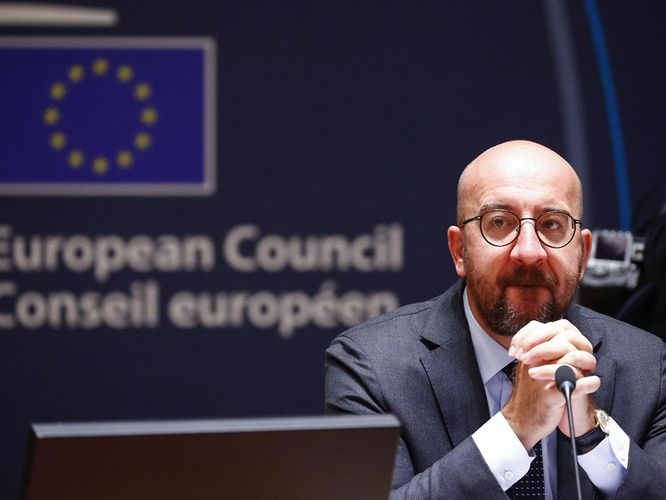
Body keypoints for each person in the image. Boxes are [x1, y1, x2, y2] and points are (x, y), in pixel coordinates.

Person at [325, 140, 666, 499]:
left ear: (582, 255)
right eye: (499, 223)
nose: (529, 252)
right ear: (459, 250)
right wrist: (516, 428)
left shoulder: (646, 365)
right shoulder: (370, 366)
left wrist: (592, 436)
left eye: (552, 224)